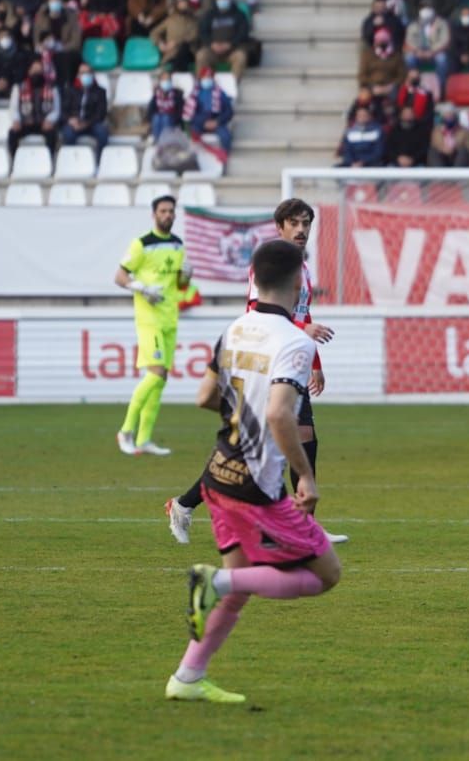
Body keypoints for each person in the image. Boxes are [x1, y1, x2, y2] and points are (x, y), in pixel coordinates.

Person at [171, 239, 343, 705]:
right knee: (327, 573)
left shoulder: (235, 328)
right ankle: (214, 582)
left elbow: (205, 397)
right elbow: (280, 416)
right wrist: (305, 476)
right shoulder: (294, 341)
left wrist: (240, 414)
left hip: (217, 474)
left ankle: (188, 676)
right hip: (254, 484)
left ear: (254, 277)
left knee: (242, 581)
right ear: (297, 281)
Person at [115, 195, 190, 458]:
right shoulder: (141, 244)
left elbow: (179, 285)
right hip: (149, 319)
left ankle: (144, 438)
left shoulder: (178, 245)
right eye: (163, 211)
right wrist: (141, 288)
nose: (167, 215)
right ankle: (125, 431)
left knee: (160, 380)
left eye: (171, 211)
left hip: (170, 318)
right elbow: (120, 276)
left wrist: (186, 276)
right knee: (155, 373)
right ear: (154, 215)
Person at [61, 62, 110, 154]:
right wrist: (70, 120)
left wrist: (86, 123)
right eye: (82, 73)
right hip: (74, 124)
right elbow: (64, 110)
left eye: (88, 72)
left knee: (103, 132)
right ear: (78, 75)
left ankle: (100, 162)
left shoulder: (100, 91)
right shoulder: (70, 90)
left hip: (91, 124)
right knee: (68, 134)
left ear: (92, 74)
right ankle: (72, 160)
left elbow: (101, 113)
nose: (85, 75)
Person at [186, 68, 234, 151]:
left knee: (226, 137)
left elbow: (229, 111)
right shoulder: (194, 94)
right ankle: (195, 160)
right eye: (205, 77)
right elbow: (190, 114)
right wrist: (203, 122)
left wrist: (217, 121)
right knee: (192, 135)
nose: (207, 79)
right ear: (200, 78)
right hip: (200, 122)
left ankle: (223, 158)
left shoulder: (220, 93)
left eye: (209, 77)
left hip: (216, 121)